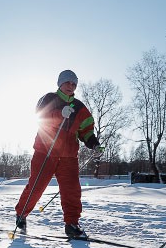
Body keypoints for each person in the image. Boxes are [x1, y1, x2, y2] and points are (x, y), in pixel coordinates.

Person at [15, 69, 104, 238]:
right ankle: (21, 214)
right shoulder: (49, 98)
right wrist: (58, 115)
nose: (71, 86)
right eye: (67, 82)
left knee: (72, 191)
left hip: (69, 156)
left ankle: (71, 224)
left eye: (74, 83)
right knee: (36, 186)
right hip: (45, 151)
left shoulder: (79, 107)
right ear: (60, 83)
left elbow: (86, 132)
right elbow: (40, 117)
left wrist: (94, 145)